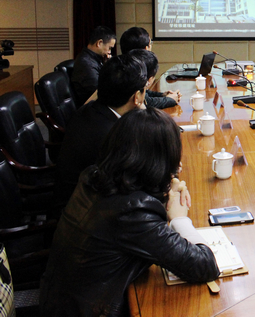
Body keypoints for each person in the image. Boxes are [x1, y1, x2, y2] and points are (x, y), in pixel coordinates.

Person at [41, 108, 219, 316]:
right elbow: (205, 266)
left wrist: (166, 186)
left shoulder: (93, 176)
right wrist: (180, 219)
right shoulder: (132, 213)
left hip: (58, 301)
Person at [56, 53, 148, 204]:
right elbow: (133, 184)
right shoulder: (114, 137)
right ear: (137, 96)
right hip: (84, 208)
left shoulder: (90, 109)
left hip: (74, 196)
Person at [120, 27, 181, 106]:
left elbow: (144, 93)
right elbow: (146, 102)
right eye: (150, 43)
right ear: (145, 49)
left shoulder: (123, 65)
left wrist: (162, 95)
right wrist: (170, 100)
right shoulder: (134, 71)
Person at [71, 26, 116, 105]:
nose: (109, 52)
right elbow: (101, 93)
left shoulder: (91, 59)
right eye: (109, 48)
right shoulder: (86, 63)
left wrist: (106, 66)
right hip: (92, 108)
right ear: (99, 43)